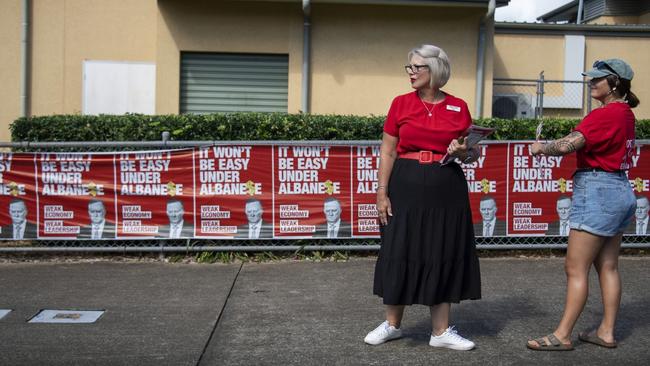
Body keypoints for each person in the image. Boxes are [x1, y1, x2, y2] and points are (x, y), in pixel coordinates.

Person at [365, 44, 481, 351]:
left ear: (436, 70)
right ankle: (392, 325)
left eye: (418, 67)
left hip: (447, 187)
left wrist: (464, 151)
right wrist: (381, 193)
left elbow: (473, 154)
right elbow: (388, 150)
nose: (412, 73)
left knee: (441, 250)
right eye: (410, 67)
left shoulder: (458, 106)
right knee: (398, 248)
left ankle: (440, 332)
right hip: (405, 184)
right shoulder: (400, 104)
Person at [527, 59, 639, 351]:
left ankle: (562, 335)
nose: (591, 83)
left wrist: (540, 148)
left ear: (614, 83)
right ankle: (606, 332)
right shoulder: (625, 113)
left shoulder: (605, 114)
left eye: (597, 79)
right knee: (609, 266)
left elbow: (567, 145)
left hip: (598, 191)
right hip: (619, 189)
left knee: (575, 268)